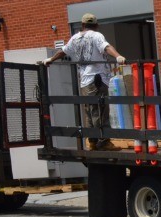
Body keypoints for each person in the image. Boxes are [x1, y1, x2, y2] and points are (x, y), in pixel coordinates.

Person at [42, 13, 126, 150]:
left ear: (82, 25)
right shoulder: (96, 36)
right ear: (96, 25)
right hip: (98, 78)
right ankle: (104, 141)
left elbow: (63, 51)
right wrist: (118, 56)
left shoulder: (75, 38)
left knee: (89, 110)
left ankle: (92, 141)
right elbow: (106, 47)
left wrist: (51, 60)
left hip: (85, 81)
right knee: (100, 109)